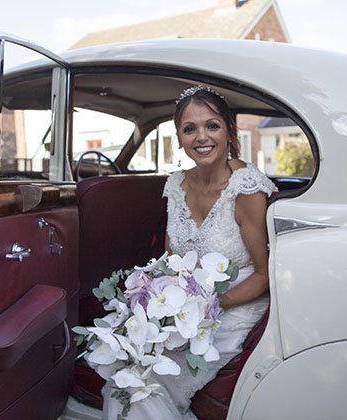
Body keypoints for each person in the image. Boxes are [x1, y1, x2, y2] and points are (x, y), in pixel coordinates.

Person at [101, 85, 277, 420]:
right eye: (189, 128)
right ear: (179, 137)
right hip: (185, 311)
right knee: (127, 366)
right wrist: (155, 307)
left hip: (235, 308)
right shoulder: (176, 184)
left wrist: (209, 306)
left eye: (212, 125)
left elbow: (264, 274)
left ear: (228, 130)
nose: (201, 137)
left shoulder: (246, 187)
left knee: (142, 387)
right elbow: (171, 263)